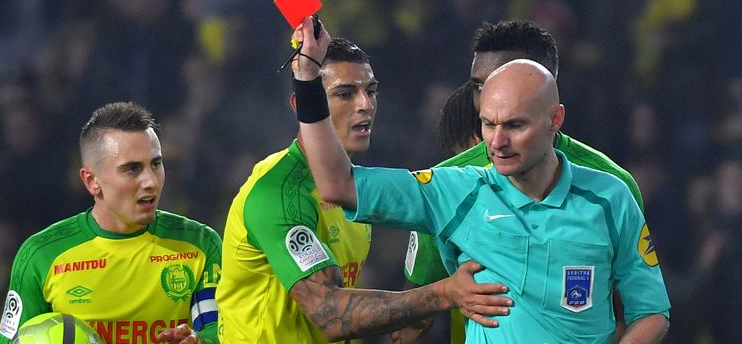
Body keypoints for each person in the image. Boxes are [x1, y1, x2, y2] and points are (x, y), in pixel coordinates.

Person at [292, 19, 671, 343]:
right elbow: (337, 184)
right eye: (489, 124)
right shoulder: (456, 191)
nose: (497, 142)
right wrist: (308, 79)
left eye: (515, 126)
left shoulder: (610, 196)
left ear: (554, 120)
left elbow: (651, 311)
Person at [215, 36, 511, 343]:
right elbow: (329, 313)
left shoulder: (354, 189)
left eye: (371, 91)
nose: (365, 105)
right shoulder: (277, 192)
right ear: (303, 105)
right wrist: (441, 294)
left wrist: (414, 312)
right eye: (345, 94)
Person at [401, 20, 647, 344]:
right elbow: (412, 319)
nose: (490, 96)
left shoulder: (612, 187)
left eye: (504, 81)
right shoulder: (445, 184)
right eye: (478, 86)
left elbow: (631, 311)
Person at [0, 102, 222, 344]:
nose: (151, 181)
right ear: (92, 181)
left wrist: (198, 341)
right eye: (132, 169)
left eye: (156, 164)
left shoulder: (200, 244)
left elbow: (221, 330)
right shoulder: (41, 255)